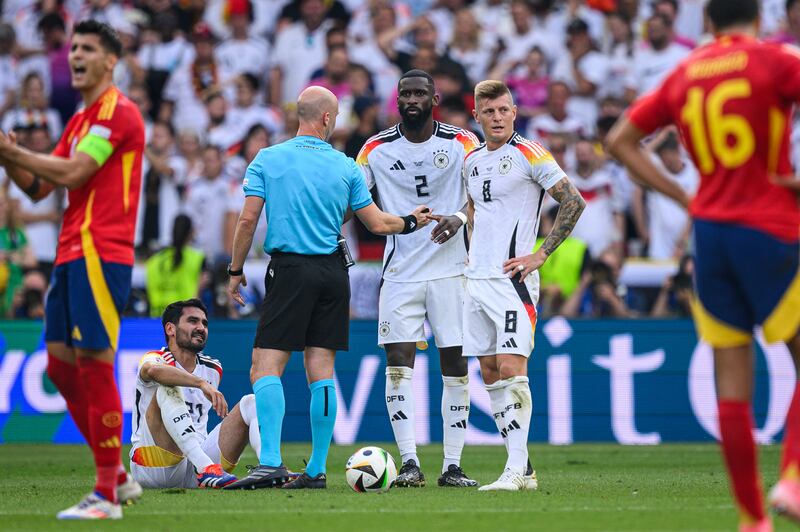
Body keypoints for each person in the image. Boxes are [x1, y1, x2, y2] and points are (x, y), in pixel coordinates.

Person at [607, 1, 800, 529]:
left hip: (710, 237)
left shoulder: (685, 74)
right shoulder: (775, 60)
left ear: (708, 25)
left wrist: (680, 195)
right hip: (769, 226)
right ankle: (793, 480)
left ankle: (752, 520)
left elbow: (619, 140)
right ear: (759, 21)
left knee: (732, 383)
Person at [224, 86, 432, 490]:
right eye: (334, 117)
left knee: (265, 368)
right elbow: (376, 223)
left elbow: (248, 221)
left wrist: (235, 270)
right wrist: (411, 221)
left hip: (291, 270)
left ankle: (270, 462)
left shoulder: (268, 159)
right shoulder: (345, 166)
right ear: (325, 119)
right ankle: (317, 470)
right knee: (321, 371)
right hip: (336, 275)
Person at [0, 20, 144, 519]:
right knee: (61, 367)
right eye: (74, 48)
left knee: (95, 362)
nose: (76, 56)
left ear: (110, 61)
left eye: (88, 49)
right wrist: (8, 155)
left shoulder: (117, 113)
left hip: (103, 252)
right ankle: (118, 477)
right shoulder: (80, 121)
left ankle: (107, 495)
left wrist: (15, 151)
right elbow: (41, 188)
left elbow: (76, 172)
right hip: (69, 252)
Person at [356, 69, 480, 488]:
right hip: (400, 273)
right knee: (398, 364)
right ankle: (409, 462)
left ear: (435, 97)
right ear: (397, 100)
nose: (411, 99)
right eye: (405, 93)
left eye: (419, 93)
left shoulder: (462, 142)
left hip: (452, 271)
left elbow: (484, 195)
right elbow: (353, 199)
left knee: (455, 364)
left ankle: (452, 465)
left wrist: (461, 217)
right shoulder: (374, 148)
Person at [463, 80, 584, 491]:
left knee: (513, 369)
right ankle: (525, 468)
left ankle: (513, 471)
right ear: (477, 116)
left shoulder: (530, 153)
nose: (497, 118)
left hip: (512, 281)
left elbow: (573, 200)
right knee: (490, 371)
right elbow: (476, 211)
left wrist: (540, 255)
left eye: (504, 110)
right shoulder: (472, 160)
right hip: (475, 280)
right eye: (489, 111)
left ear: (514, 112)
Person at [130, 299, 260, 489]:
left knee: (251, 402)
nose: (201, 327)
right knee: (167, 385)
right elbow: (152, 371)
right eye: (193, 321)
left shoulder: (213, 368)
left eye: (204, 323)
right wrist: (201, 384)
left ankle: (269, 466)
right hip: (154, 465)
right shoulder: (155, 359)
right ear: (170, 329)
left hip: (195, 470)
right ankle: (205, 466)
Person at [145, 215, 205, 317]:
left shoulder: (154, 260)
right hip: (185, 318)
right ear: (191, 233)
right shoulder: (198, 258)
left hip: (157, 319)